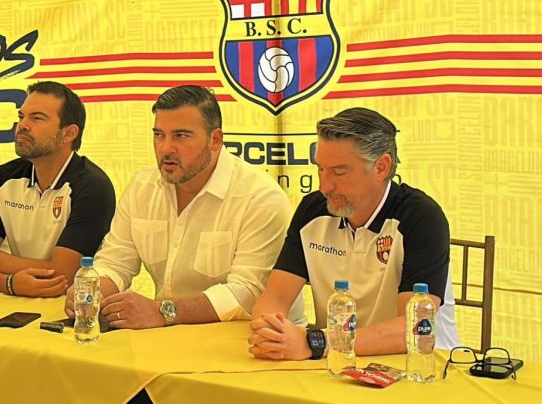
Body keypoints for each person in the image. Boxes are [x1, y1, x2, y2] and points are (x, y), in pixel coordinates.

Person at [65, 85, 296, 329]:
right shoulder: (142, 187)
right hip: (167, 336)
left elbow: (248, 293)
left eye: (181, 136)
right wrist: (93, 290)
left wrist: (162, 311)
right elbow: (115, 261)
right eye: (159, 135)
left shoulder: (260, 197)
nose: (166, 149)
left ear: (215, 140)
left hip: (248, 341)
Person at [248, 107, 458, 360]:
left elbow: (413, 329)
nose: (325, 186)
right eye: (320, 170)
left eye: (339, 172)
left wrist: (316, 343)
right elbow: (275, 297)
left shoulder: (422, 217)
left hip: (419, 368)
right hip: (335, 364)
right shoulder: (312, 210)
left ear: (381, 167)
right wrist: (270, 330)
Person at [0, 81, 115, 297]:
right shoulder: (2, 178)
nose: (22, 125)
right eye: (21, 116)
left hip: (74, 309)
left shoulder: (93, 186)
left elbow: (64, 275)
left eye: (37, 118)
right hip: (11, 301)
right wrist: (11, 284)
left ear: (69, 133)